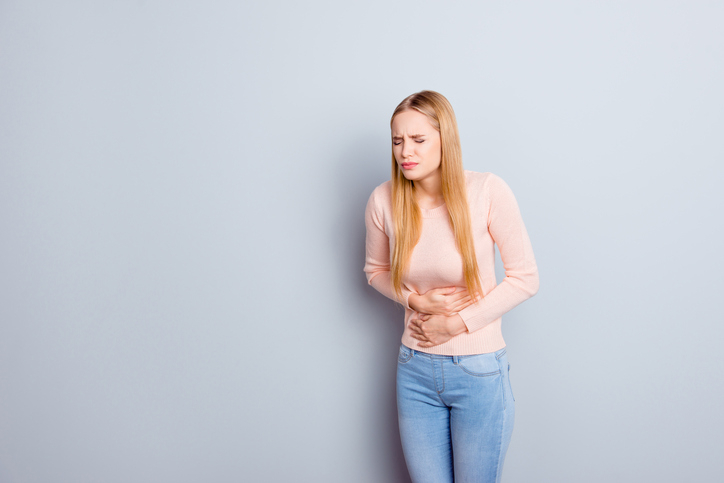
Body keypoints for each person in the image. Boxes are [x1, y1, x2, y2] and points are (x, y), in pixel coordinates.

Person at [363, 90, 539, 483]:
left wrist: (458, 323)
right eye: (397, 141)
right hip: (414, 370)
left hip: (477, 371)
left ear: (446, 139)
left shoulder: (487, 191)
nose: (405, 151)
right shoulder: (383, 200)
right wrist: (414, 299)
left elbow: (525, 278)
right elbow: (375, 270)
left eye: (418, 140)